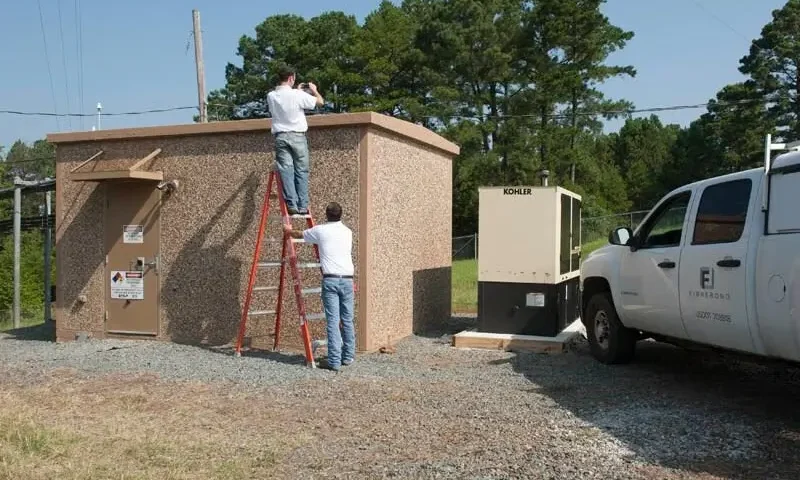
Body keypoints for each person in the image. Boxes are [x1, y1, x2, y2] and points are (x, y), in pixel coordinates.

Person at [283, 202, 355, 371]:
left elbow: (300, 234)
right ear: (341, 214)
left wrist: (287, 230)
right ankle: (348, 356)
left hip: (331, 280)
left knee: (333, 320)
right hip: (348, 280)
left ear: (327, 214)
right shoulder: (348, 232)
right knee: (347, 319)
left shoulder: (321, 230)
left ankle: (334, 361)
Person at [267, 65, 324, 216]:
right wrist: (313, 89)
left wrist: (297, 91)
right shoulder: (297, 95)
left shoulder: (271, 96)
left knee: (286, 171)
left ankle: (291, 205)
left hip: (281, 136)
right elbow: (320, 102)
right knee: (301, 170)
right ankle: (303, 206)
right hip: (297, 136)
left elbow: (286, 102)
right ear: (291, 77)